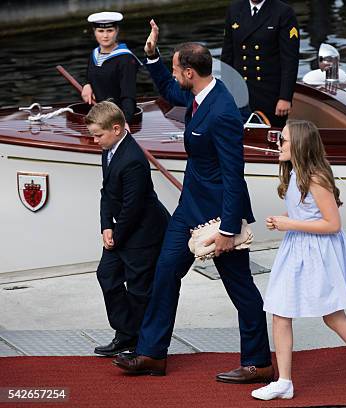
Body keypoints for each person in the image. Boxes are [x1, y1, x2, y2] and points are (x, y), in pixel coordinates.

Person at [112, 20, 273, 380]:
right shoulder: (199, 94)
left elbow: (234, 175)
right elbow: (170, 90)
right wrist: (152, 56)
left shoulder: (223, 113)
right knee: (165, 272)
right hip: (189, 209)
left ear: (190, 71)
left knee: (240, 287)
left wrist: (230, 228)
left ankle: (259, 361)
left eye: (175, 67)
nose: (174, 75)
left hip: (219, 217)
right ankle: (152, 353)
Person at [250, 120, 346, 401]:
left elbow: (332, 224)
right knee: (280, 313)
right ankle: (284, 381)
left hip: (317, 254)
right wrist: (287, 224)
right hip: (297, 250)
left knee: (333, 316)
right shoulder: (295, 174)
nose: (278, 144)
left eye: (283, 140)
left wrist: (287, 222)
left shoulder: (315, 178)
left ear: (301, 145)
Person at [85, 101, 170, 357]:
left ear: (117, 129)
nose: (95, 140)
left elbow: (133, 208)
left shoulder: (133, 160)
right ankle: (126, 333)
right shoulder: (109, 149)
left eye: (98, 135)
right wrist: (105, 227)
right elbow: (106, 192)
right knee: (107, 276)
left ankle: (141, 345)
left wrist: (116, 235)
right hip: (120, 229)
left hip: (143, 234)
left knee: (138, 290)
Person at [221, 0, 299, 128]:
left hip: (269, 94)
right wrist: (225, 93)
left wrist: (285, 97)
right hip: (239, 92)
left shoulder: (283, 12)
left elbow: (290, 60)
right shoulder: (234, 9)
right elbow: (227, 56)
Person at [82, 11, 141, 124]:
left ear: (117, 31)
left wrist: (124, 123)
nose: (105, 36)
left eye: (110, 30)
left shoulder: (126, 59)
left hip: (115, 119)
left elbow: (128, 95)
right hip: (97, 117)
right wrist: (86, 85)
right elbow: (90, 77)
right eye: (100, 31)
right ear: (94, 32)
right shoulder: (94, 54)